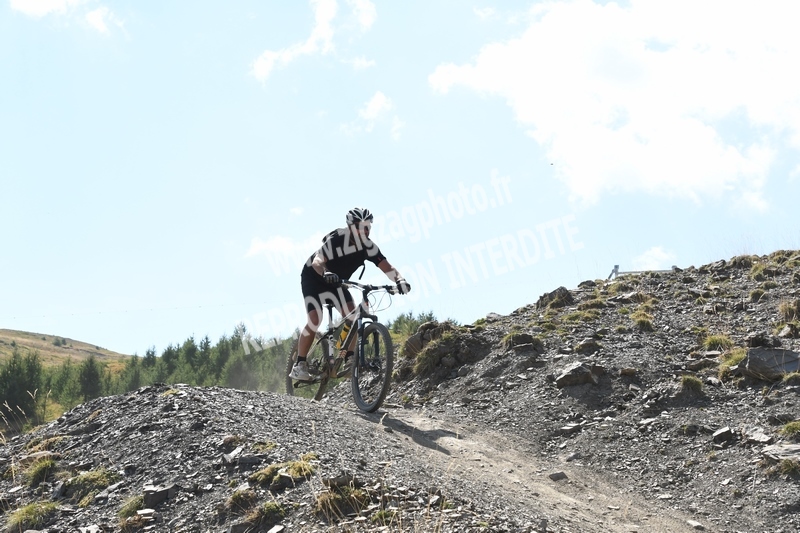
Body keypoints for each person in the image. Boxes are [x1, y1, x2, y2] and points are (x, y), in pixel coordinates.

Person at [289, 207, 411, 381]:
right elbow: (317, 261)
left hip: (337, 283)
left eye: (368, 227)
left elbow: (387, 267)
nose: (365, 231)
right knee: (315, 319)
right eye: (361, 227)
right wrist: (326, 272)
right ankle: (299, 364)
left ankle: (349, 358)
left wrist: (400, 280)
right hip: (315, 277)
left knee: (354, 316)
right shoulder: (338, 239)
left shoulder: (368, 246)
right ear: (351, 227)